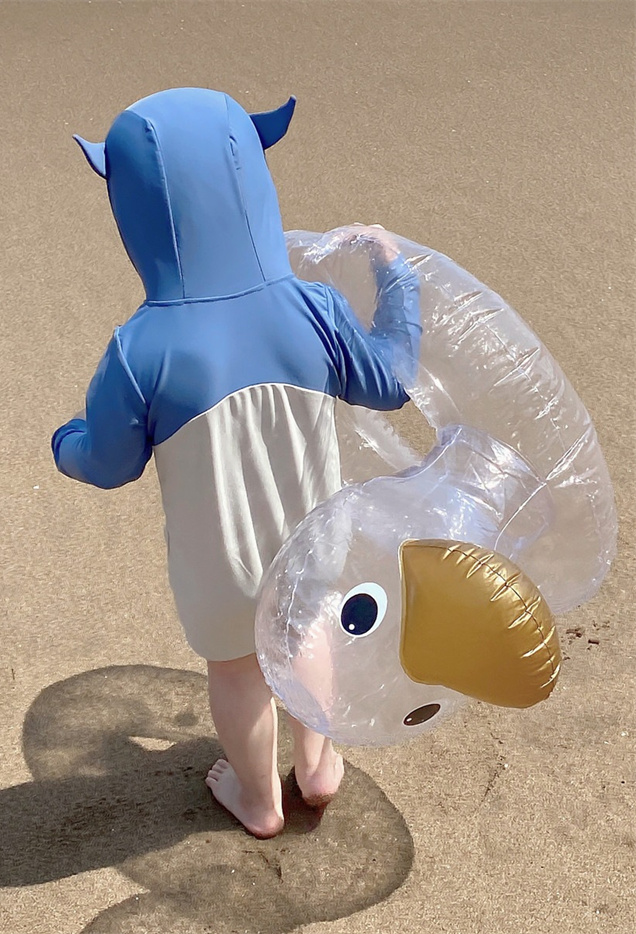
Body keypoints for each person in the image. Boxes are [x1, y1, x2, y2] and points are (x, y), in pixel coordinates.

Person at [53, 87, 420, 838]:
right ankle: (317, 765)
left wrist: (68, 443)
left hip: (218, 566)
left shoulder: (141, 348)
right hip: (313, 542)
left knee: (237, 669)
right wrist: (395, 274)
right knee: (307, 633)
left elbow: (109, 461)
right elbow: (392, 379)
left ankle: (258, 800)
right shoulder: (313, 309)